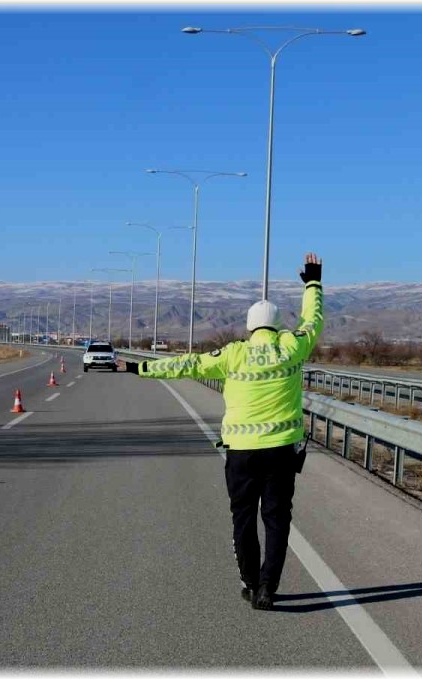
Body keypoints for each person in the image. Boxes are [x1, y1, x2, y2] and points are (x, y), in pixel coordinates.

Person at [119, 252, 324, 610]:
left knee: (243, 519)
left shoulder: (233, 354)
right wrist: (312, 282)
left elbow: (188, 365)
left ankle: (249, 580)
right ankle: (267, 587)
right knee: (276, 520)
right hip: (280, 454)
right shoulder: (293, 347)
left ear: (249, 327)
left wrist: (141, 369)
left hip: (241, 454)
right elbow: (313, 320)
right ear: (276, 326)